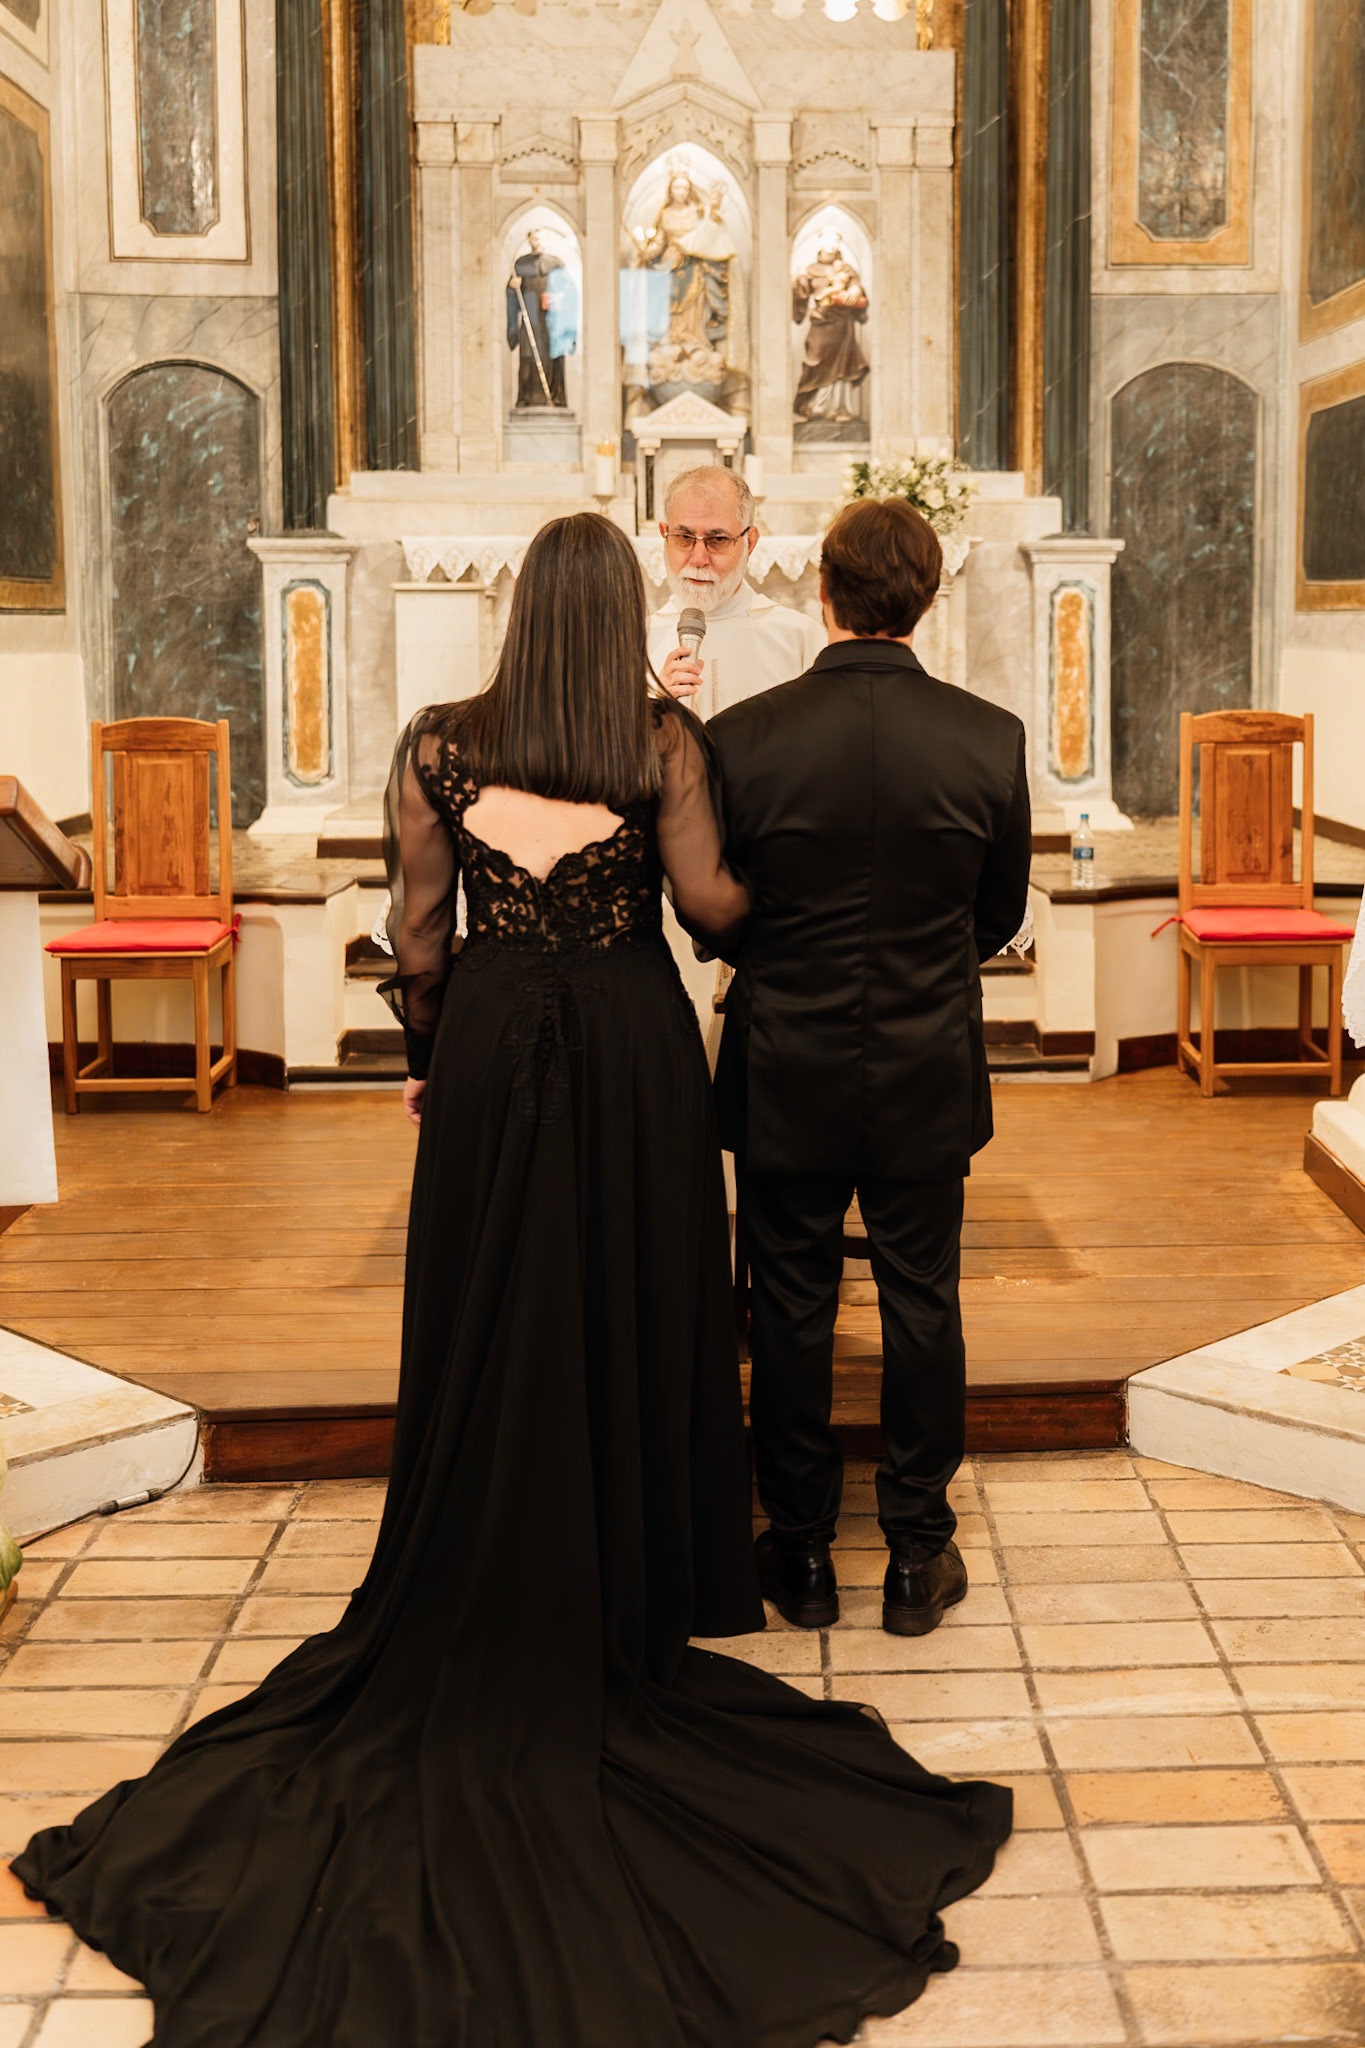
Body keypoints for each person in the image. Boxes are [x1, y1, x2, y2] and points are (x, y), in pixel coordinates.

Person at [13, 511, 1010, 2046]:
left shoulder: (436, 748)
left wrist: (436, 1053)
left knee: (493, 1306)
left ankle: (484, 1538)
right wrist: (822, 913)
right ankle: (641, 1559)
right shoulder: (659, 743)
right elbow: (712, 912)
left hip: (490, 1053)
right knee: (630, 1298)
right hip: (625, 1054)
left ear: (514, 609)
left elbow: (418, 936)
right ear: (621, 607)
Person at [707, 496, 1032, 1637]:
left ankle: (797, 1551)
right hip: (925, 1057)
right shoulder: (988, 738)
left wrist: (788, 959)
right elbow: (995, 915)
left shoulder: (744, 736)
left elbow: (721, 911)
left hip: (787, 1053)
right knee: (921, 1300)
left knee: (788, 1302)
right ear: (928, 596)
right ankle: (915, 1554)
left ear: (823, 591)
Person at [649, 464, 825, 720]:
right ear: (664, 535)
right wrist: (653, 704)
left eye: (717, 540)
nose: (698, 558)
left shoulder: (800, 638)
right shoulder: (637, 642)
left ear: (750, 542)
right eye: (684, 537)